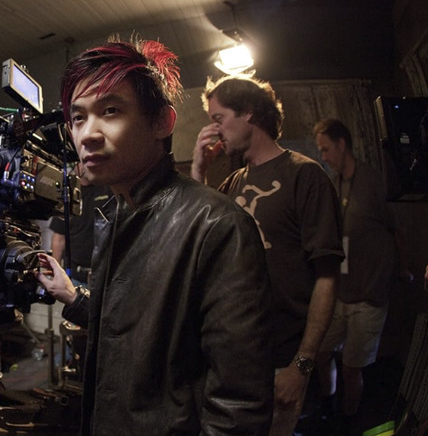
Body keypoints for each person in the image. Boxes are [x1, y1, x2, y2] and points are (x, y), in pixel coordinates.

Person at [36, 36, 274, 435]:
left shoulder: (217, 226)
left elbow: (239, 407)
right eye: (78, 118)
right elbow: (133, 331)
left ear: (162, 121)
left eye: (110, 111)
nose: (87, 134)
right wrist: (72, 297)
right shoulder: (118, 214)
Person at [191, 76, 344, 436]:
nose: (214, 130)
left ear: (248, 113)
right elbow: (199, 236)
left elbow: (327, 276)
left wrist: (301, 366)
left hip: (282, 359)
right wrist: (198, 170)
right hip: (238, 359)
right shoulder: (232, 182)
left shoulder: (304, 175)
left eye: (219, 118)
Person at [313, 118, 411, 432]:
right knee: (321, 352)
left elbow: (397, 230)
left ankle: (348, 421)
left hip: (369, 295)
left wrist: (403, 268)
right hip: (341, 291)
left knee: (353, 368)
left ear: (342, 144)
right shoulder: (334, 180)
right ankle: (327, 409)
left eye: (326, 149)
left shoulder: (373, 182)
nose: (324, 156)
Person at [48, 164, 110, 286]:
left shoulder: (108, 188)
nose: (86, 164)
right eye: (81, 160)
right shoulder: (67, 194)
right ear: (75, 165)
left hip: (105, 276)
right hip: (76, 277)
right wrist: (55, 272)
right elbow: (59, 238)